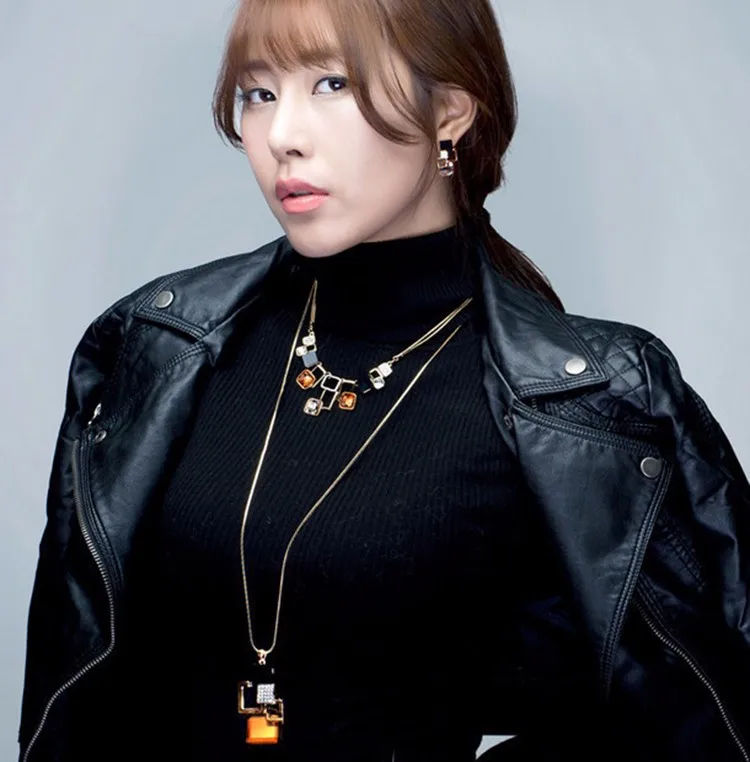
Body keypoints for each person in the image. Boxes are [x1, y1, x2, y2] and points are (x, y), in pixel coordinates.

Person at [18, 0, 750, 760]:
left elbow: (694, 717)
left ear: (451, 111)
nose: (282, 135)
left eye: (332, 84)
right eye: (259, 93)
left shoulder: (593, 406)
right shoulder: (159, 346)